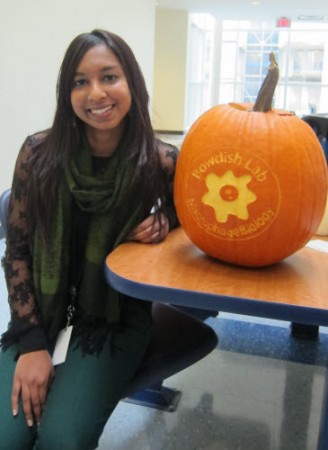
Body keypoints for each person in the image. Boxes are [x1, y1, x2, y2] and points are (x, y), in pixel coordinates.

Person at [0, 29, 179, 449]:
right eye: (80, 81)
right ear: (67, 93)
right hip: (40, 312)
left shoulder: (160, 162)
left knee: (62, 439)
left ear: (132, 82)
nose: (96, 93)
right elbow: (18, 251)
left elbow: (194, 229)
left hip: (112, 320)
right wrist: (31, 345)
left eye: (109, 77)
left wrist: (164, 222)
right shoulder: (38, 155)